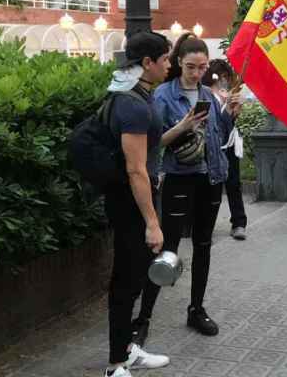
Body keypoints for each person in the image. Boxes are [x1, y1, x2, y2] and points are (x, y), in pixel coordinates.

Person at [131, 37, 240, 345]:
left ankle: (196, 309)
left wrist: (231, 113)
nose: (196, 73)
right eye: (191, 67)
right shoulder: (164, 96)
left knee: (204, 245)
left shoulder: (208, 94)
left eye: (202, 67)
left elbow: (220, 135)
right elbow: (153, 143)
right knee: (168, 247)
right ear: (179, 62)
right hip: (180, 176)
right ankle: (143, 318)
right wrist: (183, 126)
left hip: (211, 177)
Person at [103, 32, 173, 377]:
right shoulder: (130, 103)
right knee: (126, 283)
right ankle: (116, 364)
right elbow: (135, 168)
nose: (169, 65)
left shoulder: (136, 95)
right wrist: (152, 222)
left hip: (137, 201)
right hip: (131, 204)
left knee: (134, 279)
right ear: (148, 63)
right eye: (165, 59)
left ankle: (127, 350)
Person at [202, 59, 248, 240]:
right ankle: (205, 225)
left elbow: (229, 123)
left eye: (225, 77)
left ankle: (239, 222)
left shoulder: (229, 94)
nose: (223, 81)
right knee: (210, 189)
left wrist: (236, 109)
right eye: (219, 77)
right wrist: (228, 109)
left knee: (234, 185)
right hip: (212, 147)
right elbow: (215, 124)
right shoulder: (205, 95)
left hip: (228, 146)